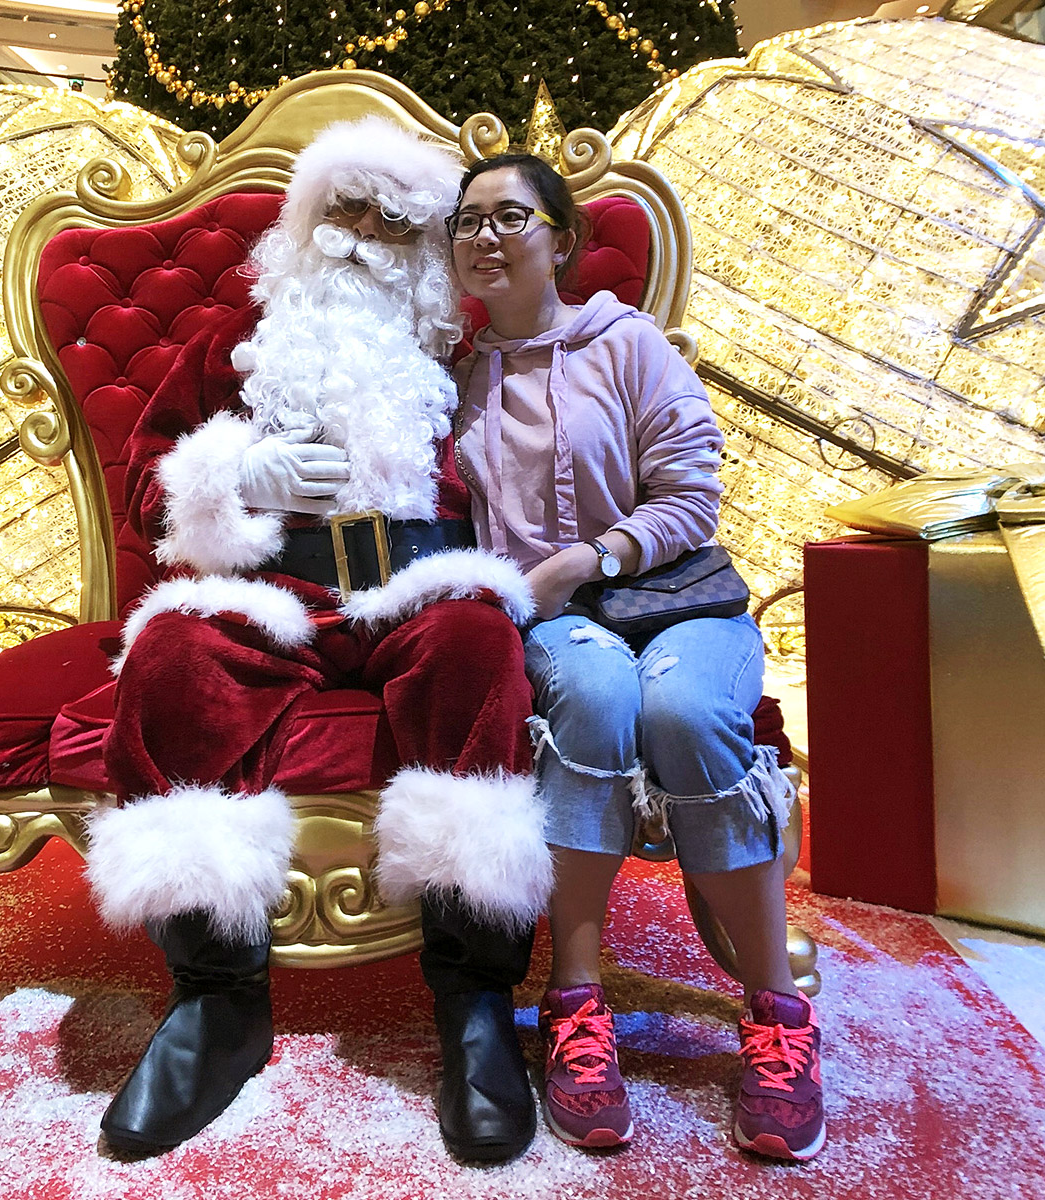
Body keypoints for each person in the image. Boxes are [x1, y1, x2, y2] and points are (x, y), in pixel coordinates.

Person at [86, 117, 550, 1162]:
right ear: (302, 222)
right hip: (273, 586)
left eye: (394, 222)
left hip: (416, 580)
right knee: (171, 662)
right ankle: (213, 1001)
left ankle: (474, 999)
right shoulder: (230, 350)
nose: (361, 236)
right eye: (344, 209)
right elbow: (142, 487)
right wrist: (232, 476)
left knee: (476, 644)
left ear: (427, 254)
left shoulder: (467, 360)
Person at [448, 154, 824, 1161]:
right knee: (599, 697)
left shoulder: (627, 344)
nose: (485, 236)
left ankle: (776, 1014)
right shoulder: (453, 367)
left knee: (685, 713)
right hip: (553, 619)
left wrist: (590, 555)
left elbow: (693, 497)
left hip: (672, 592)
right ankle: (574, 1001)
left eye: (509, 216)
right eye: (467, 221)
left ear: (559, 239)